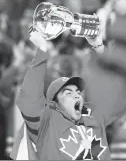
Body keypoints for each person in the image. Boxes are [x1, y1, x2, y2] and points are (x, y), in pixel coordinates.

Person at [10, 29, 111, 160]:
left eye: (78, 92)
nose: (76, 95)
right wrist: (42, 49)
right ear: (54, 103)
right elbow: (29, 96)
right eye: (68, 93)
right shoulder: (47, 122)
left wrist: (99, 47)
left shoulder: (93, 116)